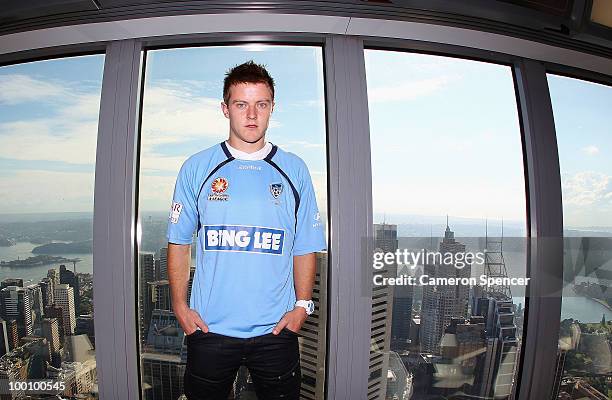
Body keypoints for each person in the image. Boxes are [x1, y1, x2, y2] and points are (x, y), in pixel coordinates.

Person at [166, 60, 326, 400]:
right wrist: (180, 306)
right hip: (209, 330)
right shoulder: (197, 168)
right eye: (241, 104)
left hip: (276, 332)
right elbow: (179, 243)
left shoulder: (294, 170)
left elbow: (305, 245)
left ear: (272, 108)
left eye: (261, 104)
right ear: (226, 109)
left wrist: (302, 307)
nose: (252, 114)